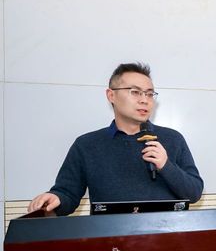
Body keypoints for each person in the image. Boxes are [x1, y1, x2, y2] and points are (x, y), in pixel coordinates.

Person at [27, 62, 204, 216]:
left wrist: (166, 166)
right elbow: (68, 194)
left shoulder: (172, 139)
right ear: (111, 95)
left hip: (166, 236)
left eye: (149, 94)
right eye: (135, 92)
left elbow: (194, 193)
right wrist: (55, 198)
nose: (144, 100)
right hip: (109, 239)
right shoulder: (87, 145)